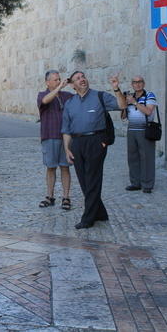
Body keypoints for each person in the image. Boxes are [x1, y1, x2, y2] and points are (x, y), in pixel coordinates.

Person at [62, 71, 126, 229]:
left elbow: (122, 105)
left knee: (92, 179)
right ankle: (100, 213)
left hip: (96, 142)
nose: (82, 79)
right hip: (76, 143)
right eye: (78, 78)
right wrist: (67, 149)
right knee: (84, 180)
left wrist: (116, 89)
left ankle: (88, 218)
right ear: (72, 85)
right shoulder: (70, 103)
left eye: (83, 77)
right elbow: (66, 129)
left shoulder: (100, 96)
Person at [37, 70, 74, 210]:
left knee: (65, 167)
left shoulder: (67, 96)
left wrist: (73, 84)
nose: (58, 81)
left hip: (66, 138)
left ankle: (66, 197)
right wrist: (60, 88)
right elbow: (46, 100)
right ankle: (50, 196)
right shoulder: (42, 95)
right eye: (55, 80)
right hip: (49, 136)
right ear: (47, 82)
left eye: (59, 79)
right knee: (51, 167)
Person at [123, 76, 157, 193]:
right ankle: (135, 183)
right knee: (132, 157)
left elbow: (148, 111)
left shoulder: (149, 95)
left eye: (140, 82)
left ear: (144, 83)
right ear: (132, 84)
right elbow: (123, 117)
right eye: (135, 82)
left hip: (145, 130)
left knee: (146, 157)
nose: (137, 84)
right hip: (131, 130)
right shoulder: (130, 97)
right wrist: (124, 104)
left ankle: (147, 185)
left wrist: (135, 102)